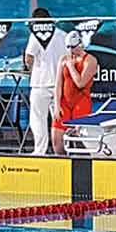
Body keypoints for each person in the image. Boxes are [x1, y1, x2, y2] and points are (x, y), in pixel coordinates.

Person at [24, 8, 62, 154]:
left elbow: (29, 58)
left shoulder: (35, 36)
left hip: (40, 83)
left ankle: (40, 151)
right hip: (59, 84)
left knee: (38, 119)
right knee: (59, 120)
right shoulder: (62, 34)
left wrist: (31, 70)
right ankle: (62, 150)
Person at [55, 31, 99, 144]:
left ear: (80, 44)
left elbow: (80, 83)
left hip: (81, 101)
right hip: (65, 103)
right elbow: (58, 84)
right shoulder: (63, 59)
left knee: (80, 141)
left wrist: (70, 66)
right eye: (68, 47)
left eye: (73, 47)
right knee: (57, 142)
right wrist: (57, 105)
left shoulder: (90, 60)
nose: (70, 51)